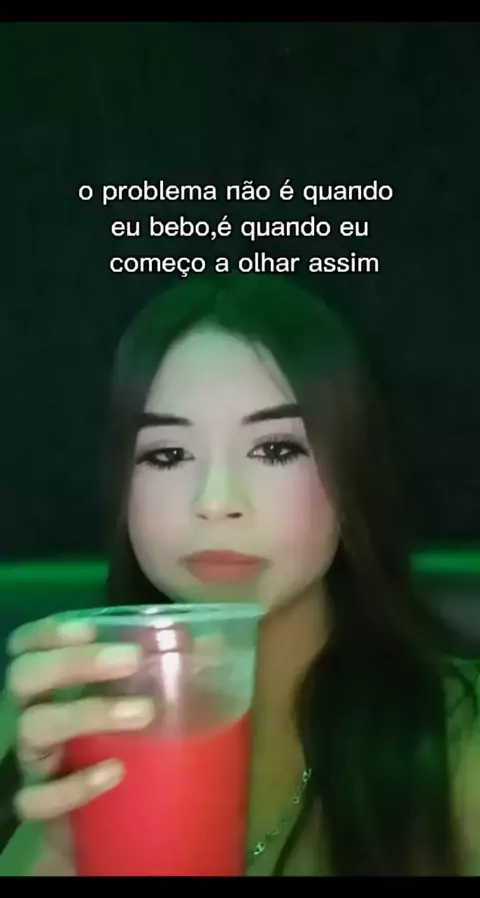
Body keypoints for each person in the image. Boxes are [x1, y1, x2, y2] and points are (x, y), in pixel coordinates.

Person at [1, 274, 479, 876]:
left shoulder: (460, 735)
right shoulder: (38, 724)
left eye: (276, 450)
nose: (216, 500)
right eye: (168, 454)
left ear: (353, 473)